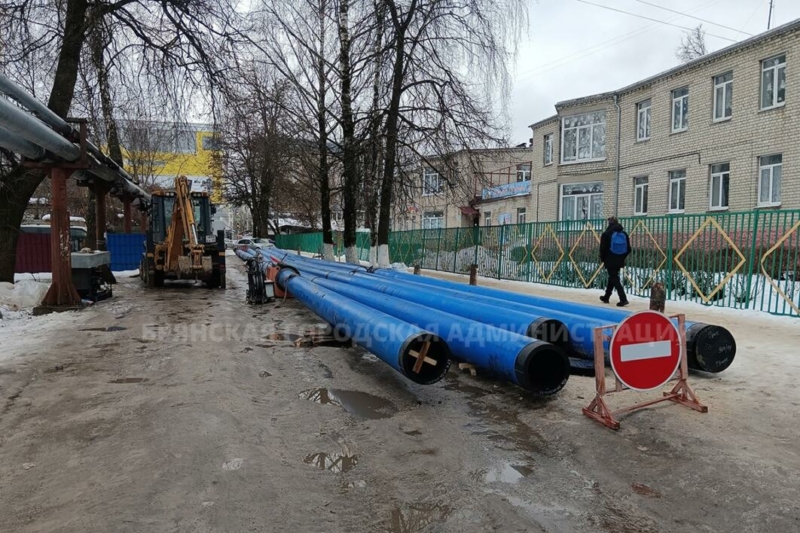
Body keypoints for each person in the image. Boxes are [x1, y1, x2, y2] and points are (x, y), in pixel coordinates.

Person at [599, 216, 631, 307]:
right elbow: (629, 249)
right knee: (613, 277)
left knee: (615, 278)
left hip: (610, 259)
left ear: (609, 223)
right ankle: (606, 296)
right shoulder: (624, 234)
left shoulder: (606, 234)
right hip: (620, 260)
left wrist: (603, 259)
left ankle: (623, 299)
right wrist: (621, 257)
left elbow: (603, 249)